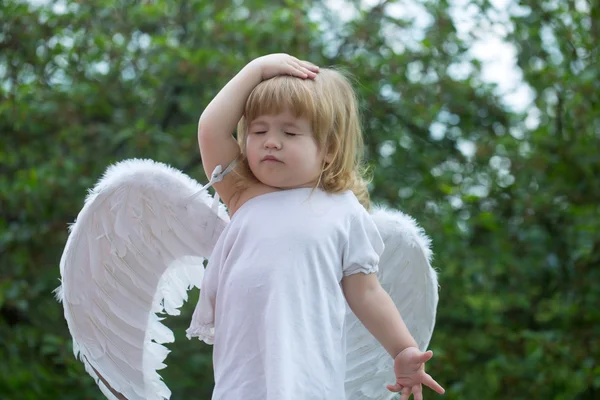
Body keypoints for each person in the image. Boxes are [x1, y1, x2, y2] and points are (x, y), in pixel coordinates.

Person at [186, 53, 445, 400]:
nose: (271, 141)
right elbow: (211, 128)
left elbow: (366, 292)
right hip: (243, 377)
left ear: (328, 149)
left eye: (290, 132)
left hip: (311, 375)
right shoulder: (243, 194)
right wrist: (257, 69)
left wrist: (402, 349)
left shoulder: (343, 212)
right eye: (258, 130)